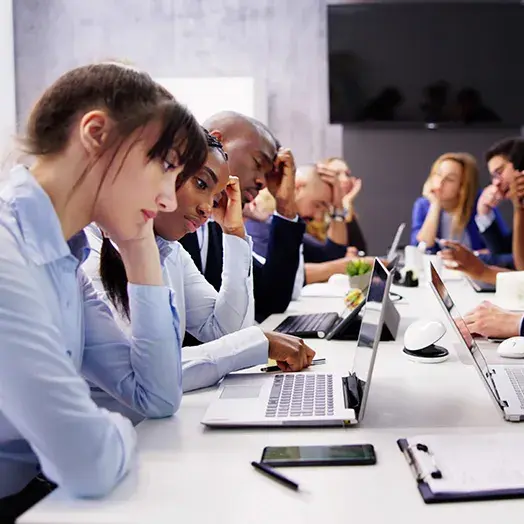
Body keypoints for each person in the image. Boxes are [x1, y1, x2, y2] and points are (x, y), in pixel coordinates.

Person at [0, 62, 209, 520]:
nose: (170, 201)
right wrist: (110, 428)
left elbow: (156, 396)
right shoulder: (7, 256)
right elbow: (85, 461)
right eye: (165, 167)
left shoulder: (63, 262)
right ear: (96, 133)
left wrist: (137, 246)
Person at [85, 132, 315, 423]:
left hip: (153, 432)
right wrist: (258, 342)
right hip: (117, 440)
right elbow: (148, 377)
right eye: (202, 185)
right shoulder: (89, 253)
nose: (208, 208)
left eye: (216, 196)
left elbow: (227, 331)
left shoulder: (169, 250)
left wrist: (234, 235)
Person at [178, 111, 305, 323]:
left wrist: (285, 206)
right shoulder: (166, 218)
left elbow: (270, 299)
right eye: (258, 163)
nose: (262, 182)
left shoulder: (218, 221)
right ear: (217, 141)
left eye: (268, 174)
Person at [411, 152, 506, 253]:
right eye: (437, 174)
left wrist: (472, 256)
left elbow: (501, 249)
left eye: (450, 179)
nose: (440, 182)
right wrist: (435, 205)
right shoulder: (423, 205)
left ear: (463, 186)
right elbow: (421, 247)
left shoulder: (481, 203)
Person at [305, 157, 367, 254]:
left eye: (347, 174)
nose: (345, 179)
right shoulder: (311, 212)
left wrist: (345, 203)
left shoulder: (345, 210)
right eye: (337, 174)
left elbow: (360, 250)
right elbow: (332, 253)